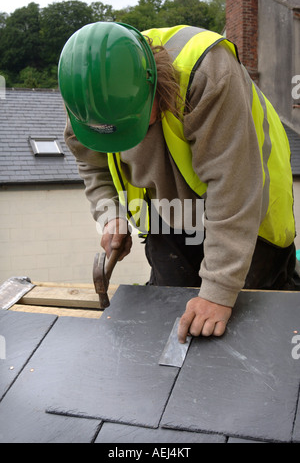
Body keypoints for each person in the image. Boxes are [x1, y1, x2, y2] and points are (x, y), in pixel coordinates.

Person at [58, 22, 299, 343]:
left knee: (256, 330)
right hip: (167, 212)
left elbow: (233, 187)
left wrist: (218, 292)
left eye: (135, 124)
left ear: (154, 81)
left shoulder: (208, 72)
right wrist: (110, 214)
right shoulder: (87, 98)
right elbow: (91, 163)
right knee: (172, 321)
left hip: (248, 217)